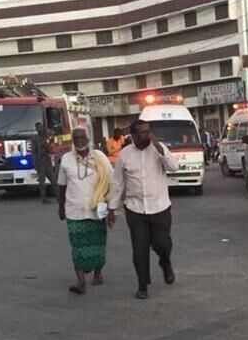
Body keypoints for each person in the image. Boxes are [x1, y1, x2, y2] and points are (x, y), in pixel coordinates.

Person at [107, 120, 179, 300]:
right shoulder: (125, 155)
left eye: (148, 131)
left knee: (162, 244)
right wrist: (112, 208)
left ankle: (165, 262)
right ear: (133, 135)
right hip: (135, 209)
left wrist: (159, 147)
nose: (145, 135)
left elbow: (174, 167)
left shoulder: (158, 148)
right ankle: (142, 284)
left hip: (159, 207)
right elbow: (117, 183)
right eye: (141, 132)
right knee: (140, 248)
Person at [58, 126, 113, 294]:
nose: (79, 141)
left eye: (82, 137)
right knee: (77, 245)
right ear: (73, 141)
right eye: (76, 138)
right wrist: (60, 205)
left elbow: (111, 181)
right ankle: (80, 281)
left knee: (97, 243)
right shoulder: (66, 159)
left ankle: (98, 272)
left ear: (88, 139)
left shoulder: (100, 157)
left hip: (97, 209)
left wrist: (112, 208)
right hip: (74, 210)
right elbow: (62, 185)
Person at [31, 122, 57, 203]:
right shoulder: (35, 139)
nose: (40, 129)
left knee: (53, 181)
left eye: (41, 127)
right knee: (42, 182)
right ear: (36, 129)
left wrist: (50, 140)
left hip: (47, 161)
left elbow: (51, 143)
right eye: (38, 127)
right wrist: (35, 163)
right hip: (40, 162)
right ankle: (44, 198)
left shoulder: (47, 136)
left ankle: (58, 197)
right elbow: (34, 152)